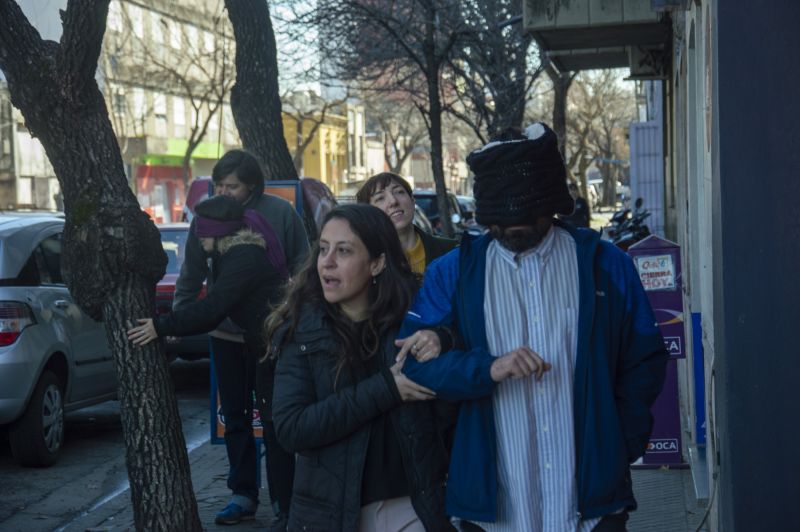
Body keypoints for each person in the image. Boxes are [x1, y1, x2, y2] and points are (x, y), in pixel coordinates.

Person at [397, 123, 668, 531]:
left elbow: (644, 359)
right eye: (504, 220)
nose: (516, 227)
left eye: (528, 215)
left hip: (590, 508)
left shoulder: (607, 266)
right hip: (493, 508)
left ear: (553, 203)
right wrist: (487, 368)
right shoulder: (452, 273)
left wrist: (617, 443)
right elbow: (414, 366)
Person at [265, 204, 454, 532]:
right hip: (332, 515)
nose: (327, 261)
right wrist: (385, 389)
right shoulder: (303, 331)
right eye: (323, 249)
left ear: (377, 263)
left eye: (344, 251)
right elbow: (292, 428)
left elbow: (452, 407)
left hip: (414, 509)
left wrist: (443, 338)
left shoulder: (414, 319)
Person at [174, 150, 309, 527]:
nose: (224, 192)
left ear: (251, 185)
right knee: (234, 417)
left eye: (231, 185)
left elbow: (303, 263)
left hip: (271, 335)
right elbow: (192, 271)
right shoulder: (209, 215)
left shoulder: (280, 213)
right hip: (226, 334)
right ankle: (243, 493)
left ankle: (285, 500)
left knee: (276, 417)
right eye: (218, 185)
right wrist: (181, 318)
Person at [356, 172, 456, 275]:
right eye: (380, 198)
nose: (393, 201)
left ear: (413, 201)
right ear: (368, 214)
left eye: (399, 192)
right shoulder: (366, 263)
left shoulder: (452, 251)